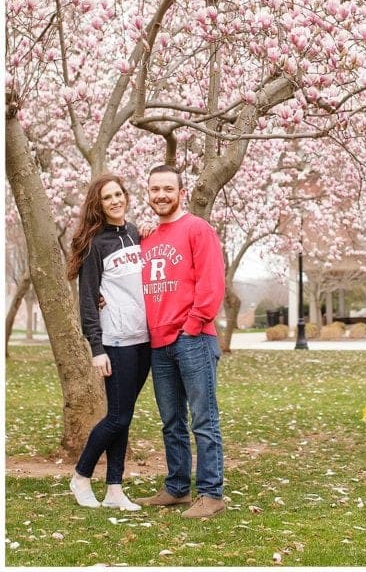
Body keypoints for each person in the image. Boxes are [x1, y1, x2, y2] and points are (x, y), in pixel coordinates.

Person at [134, 164, 227, 519]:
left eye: (167, 189)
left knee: (203, 419)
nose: (161, 195)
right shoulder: (148, 238)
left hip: (193, 339)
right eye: (154, 189)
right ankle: (176, 488)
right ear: (149, 193)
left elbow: (210, 282)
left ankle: (211, 493)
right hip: (158, 344)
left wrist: (192, 325)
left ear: (181, 192)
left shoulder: (197, 229)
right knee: (171, 420)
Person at [67, 174, 151, 511]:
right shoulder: (94, 244)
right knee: (117, 416)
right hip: (115, 342)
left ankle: (115, 488)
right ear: (98, 205)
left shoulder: (135, 234)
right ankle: (81, 476)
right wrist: (97, 348)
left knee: (125, 415)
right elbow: (88, 300)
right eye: (107, 197)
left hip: (144, 339)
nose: (115, 200)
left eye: (119, 194)